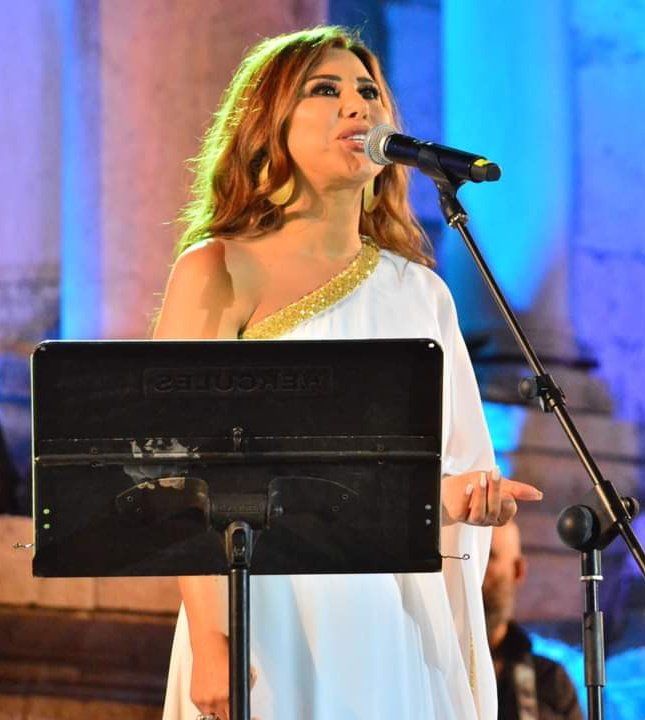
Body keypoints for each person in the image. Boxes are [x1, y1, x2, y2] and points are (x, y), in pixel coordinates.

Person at [155, 25, 544, 720]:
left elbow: (421, 471)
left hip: (389, 608)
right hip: (264, 603)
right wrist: (213, 639)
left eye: (368, 91)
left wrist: (462, 497)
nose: (357, 105)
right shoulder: (217, 268)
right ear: (268, 123)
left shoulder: (419, 292)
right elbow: (185, 469)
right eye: (325, 89)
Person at [483, 521, 583, 720]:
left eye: (487, 557)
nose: (474, 573)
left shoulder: (550, 681)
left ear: (518, 570)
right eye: (465, 559)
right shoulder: (426, 667)